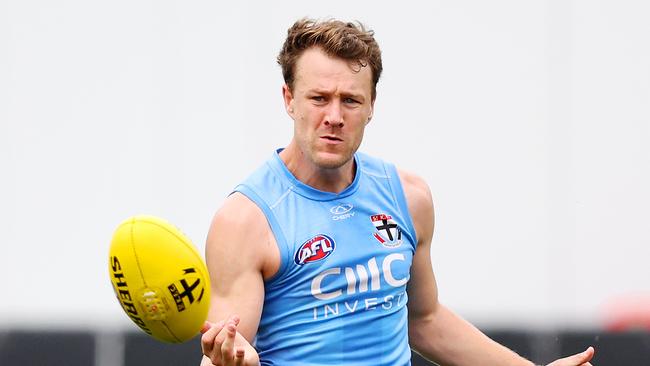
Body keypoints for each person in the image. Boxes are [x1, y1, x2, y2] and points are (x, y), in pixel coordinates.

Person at [199, 18, 596, 366]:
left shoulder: (408, 196)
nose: (334, 117)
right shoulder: (247, 220)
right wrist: (230, 362)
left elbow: (425, 320)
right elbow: (223, 352)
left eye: (350, 100)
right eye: (319, 98)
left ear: (372, 105)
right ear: (289, 99)